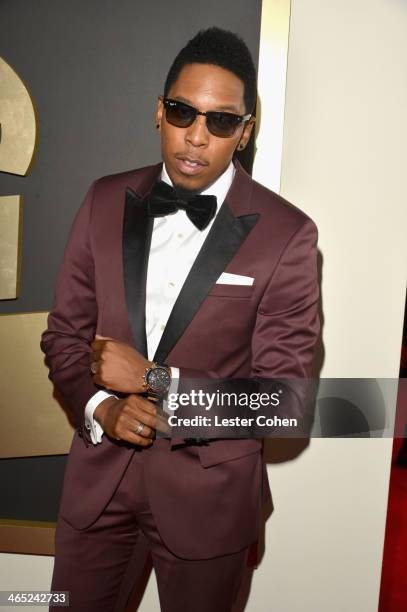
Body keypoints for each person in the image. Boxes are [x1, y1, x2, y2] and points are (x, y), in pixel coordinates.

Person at [41, 27, 320, 612]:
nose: (196, 136)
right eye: (182, 112)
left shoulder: (287, 234)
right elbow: (64, 337)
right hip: (97, 489)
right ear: (158, 113)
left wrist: (154, 382)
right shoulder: (102, 200)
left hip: (210, 500)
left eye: (221, 122)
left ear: (243, 133)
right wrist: (101, 407)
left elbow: (287, 402)